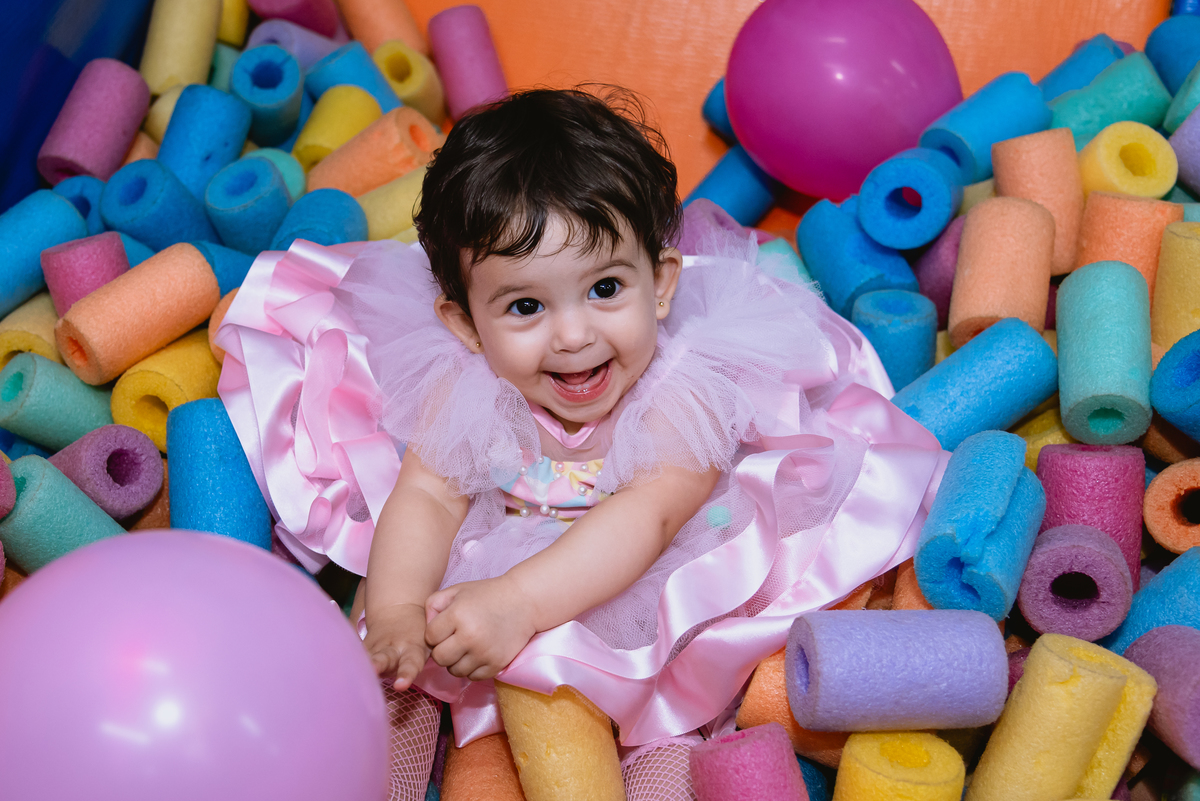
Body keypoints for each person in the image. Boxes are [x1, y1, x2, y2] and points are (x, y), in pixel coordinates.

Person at [215, 87, 946, 797]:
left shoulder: (684, 389)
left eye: (604, 290)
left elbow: (649, 514)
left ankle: (661, 771)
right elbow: (430, 493)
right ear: (468, 325)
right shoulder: (465, 382)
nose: (573, 335)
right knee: (392, 643)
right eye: (527, 306)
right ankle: (377, 761)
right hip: (499, 546)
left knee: (665, 690)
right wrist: (403, 610)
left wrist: (519, 602)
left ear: (659, 284)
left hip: (638, 568)